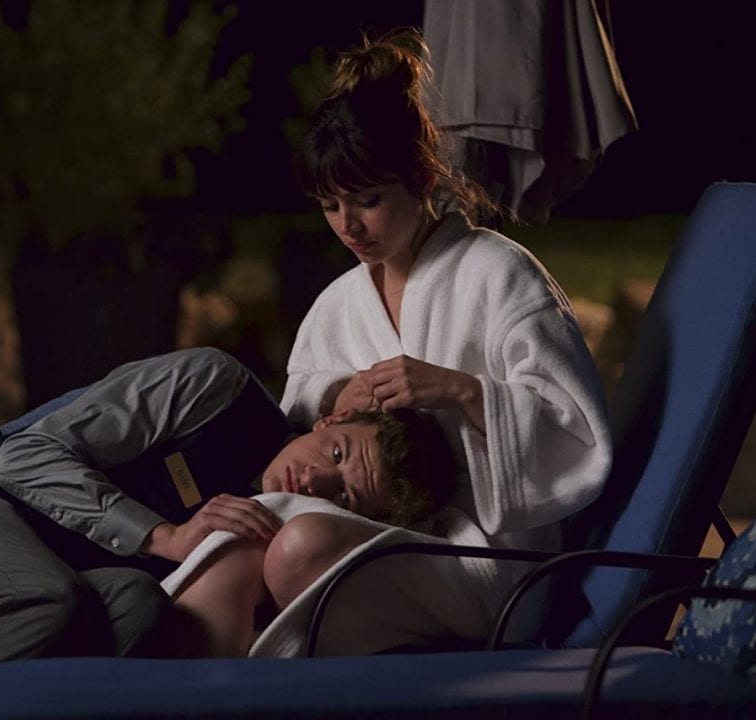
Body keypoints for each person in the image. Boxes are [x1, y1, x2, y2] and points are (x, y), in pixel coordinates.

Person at [278, 29, 613, 639]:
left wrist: (462, 391)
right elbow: (294, 415)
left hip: (487, 557)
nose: (348, 226)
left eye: (368, 200)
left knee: (297, 551)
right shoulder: (339, 303)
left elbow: (578, 434)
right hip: (366, 531)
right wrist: (335, 394)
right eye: (329, 206)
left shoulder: (499, 274)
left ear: (424, 179)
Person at [0, 347, 454, 666]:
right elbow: (22, 457)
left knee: (139, 606)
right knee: (44, 600)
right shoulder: (216, 388)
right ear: (331, 419)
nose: (315, 481)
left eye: (343, 496)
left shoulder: (266, 534)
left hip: (17, 577)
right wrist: (164, 536)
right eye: (337, 454)